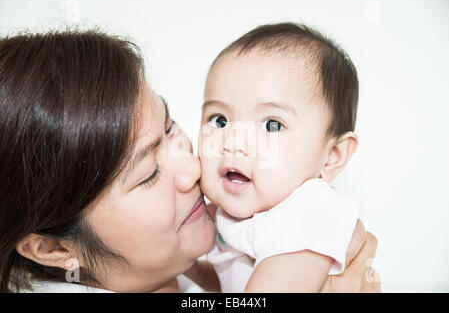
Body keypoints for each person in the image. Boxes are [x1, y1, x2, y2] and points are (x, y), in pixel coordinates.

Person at [0, 29, 379, 293]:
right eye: (148, 174)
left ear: (333, 155)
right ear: (55, 249)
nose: (194, 167)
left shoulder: (307, 211)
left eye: (169, 127)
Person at [200, 23, 368, 292]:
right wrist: (192, 269)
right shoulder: (224, 214)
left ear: (331, 156)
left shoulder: (310, 211)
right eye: (219, 120)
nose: (233, 142)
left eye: (272, 125)